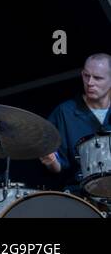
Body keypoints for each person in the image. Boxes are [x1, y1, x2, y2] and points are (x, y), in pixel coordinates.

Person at [40, 52, 111, 186]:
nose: (90, 83)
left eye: (98, 78)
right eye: (86, 76)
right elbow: (58, 168)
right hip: (81, 195)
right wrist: (51, 162)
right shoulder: (64, 112)